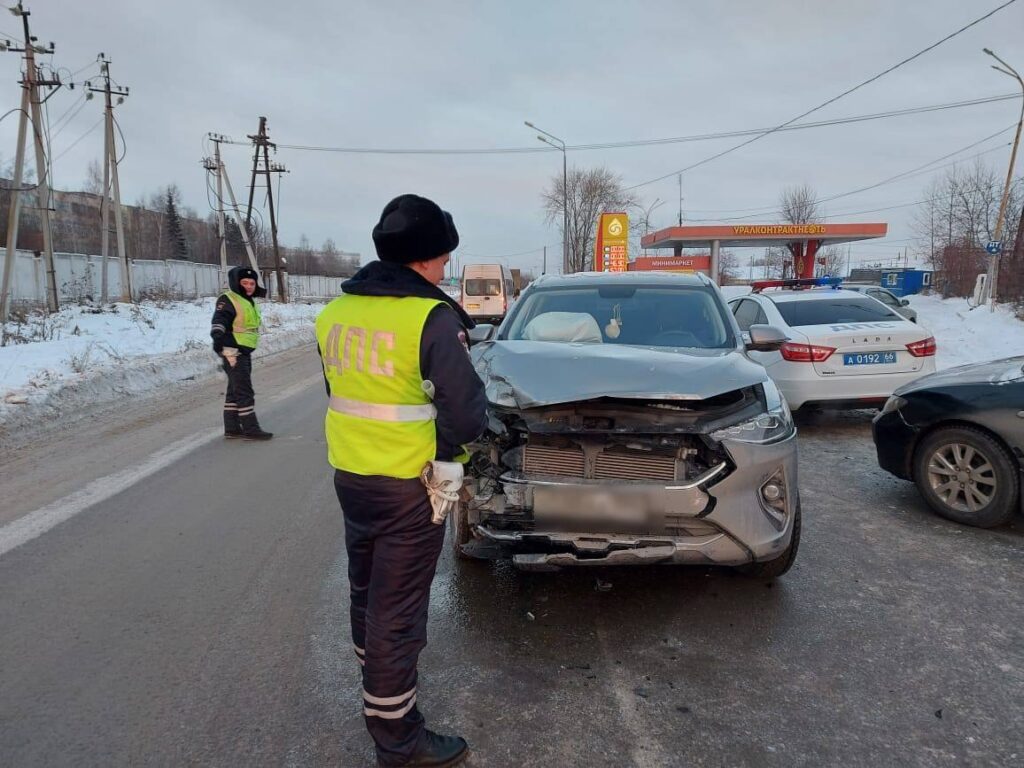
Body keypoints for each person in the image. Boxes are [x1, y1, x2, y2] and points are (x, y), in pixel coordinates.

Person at [315, 194, 487, 768]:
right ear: (421, 259)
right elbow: (464, 415)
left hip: (353, 478)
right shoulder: (429, 319)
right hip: (408, 487)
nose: (445, 268)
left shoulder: (335, 313)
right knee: (399, 609)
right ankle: (398, 737)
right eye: (441, 257)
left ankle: (378, 683)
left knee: (366, 592)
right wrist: (450, 453)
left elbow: (343, 392)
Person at [209, 265, 273, 440]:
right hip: (232, 349)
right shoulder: (229, 299)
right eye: (245, 283)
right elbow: (220, 319)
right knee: (244, 390)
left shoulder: (247, 300)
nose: (249, 286)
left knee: (234, 389)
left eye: (252, 283)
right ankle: (251, 428)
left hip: (242, 349)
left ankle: (232, 428)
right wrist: (217, 335)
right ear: (236, 283)